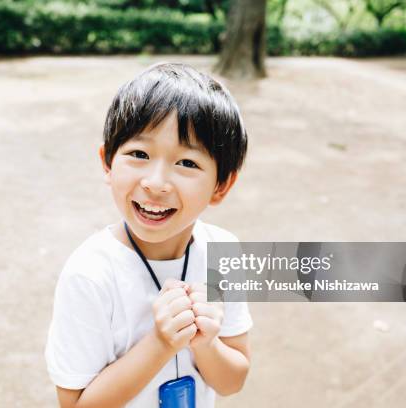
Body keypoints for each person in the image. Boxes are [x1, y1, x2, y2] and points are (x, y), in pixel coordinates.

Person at [45, 62, 252, 407]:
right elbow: (74, 404)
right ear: (108, 163)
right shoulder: (90, 275)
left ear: (221, 185)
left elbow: (233, 381)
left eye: (187, 163)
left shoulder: (223, 252)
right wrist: (161, 342)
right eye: (139, 154)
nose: (155, 182)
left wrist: (205, 343)